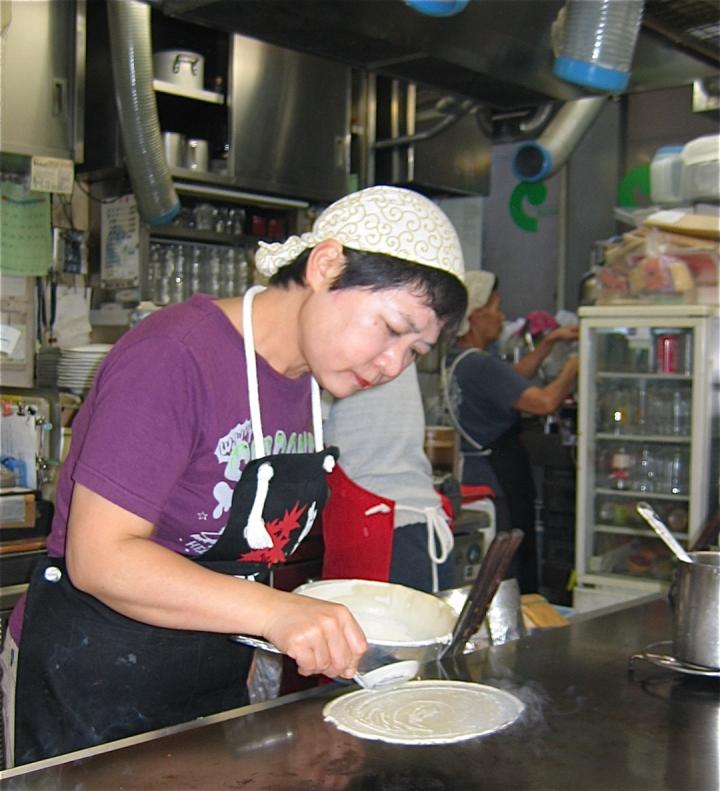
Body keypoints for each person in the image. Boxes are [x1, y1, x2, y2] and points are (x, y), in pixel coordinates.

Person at [1, 186, 467, 766]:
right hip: (89, 682)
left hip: (206, 680)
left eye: (415, 351)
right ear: (326, 265)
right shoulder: (175, 356)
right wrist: (278, 615)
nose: (394, 364)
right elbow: (100, 558)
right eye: (393, 328)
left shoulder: (301, 382)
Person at [442, 270, 578, 593]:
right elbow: (543, 403)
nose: (502, 317)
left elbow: (511, 379)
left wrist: (550, 343)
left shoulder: (458, 359)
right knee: (511, 568)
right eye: (497, 308)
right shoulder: (481, 365)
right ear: (475, 315)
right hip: (498, 477)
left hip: (472, 474)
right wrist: (574, 366)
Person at [322, 362, 454, 594]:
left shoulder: (341, 350)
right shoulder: (394, 347)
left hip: (379, 533)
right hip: (425, 525)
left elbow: (303, 427)